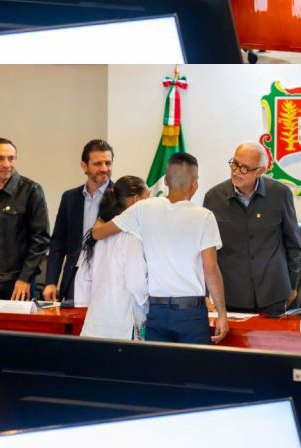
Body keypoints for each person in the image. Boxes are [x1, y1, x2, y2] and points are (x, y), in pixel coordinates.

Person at [91, 152, 229, 345]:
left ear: (165, 181)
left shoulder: (142, 209)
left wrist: (100, 216)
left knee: (157, 364)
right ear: (194, 183)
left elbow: (98, 233)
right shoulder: (204, 217)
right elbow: (211, 268)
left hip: (156, 312)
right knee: (195, 364)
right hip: (191, 313)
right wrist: (222, 313)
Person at [203, 143, 301, 314]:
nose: (236, 171)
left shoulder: (280, 194)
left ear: (260, 171)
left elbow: (293, 243)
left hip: (274, 293)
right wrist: (205, 292)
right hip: (232, 294)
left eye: (245, 168)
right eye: (234, 164)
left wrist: (292, 285)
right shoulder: (213, 198)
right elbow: (206, 250)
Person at [75, 176, 149, 340]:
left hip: (95, 320)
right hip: (122, 323)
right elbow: (137, 285)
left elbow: (83, 280)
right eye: (147, 199)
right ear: (136, 200)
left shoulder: (96, 236)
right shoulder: (132, 239)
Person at [43, 139, 114, 303]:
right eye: (97, 163)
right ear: (84, 166)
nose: (104, 168)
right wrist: (51, 282)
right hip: (74, 278)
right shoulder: (70, 198)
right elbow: (58, 242)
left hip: (109, 279)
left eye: (108, 163)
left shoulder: (121, 197)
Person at [0, 138, 49, 301]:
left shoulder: (31, 190)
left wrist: (25, 278)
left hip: (17, 285)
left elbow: (40, 239)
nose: (6, 164)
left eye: (11, 158)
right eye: (0, 158)